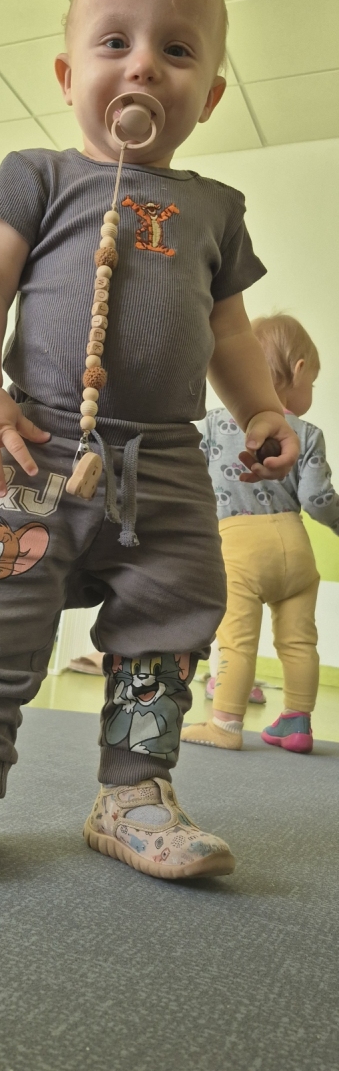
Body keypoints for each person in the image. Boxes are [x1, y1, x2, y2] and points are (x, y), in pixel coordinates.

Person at [0, 0, 299, 880]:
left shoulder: (215, 209)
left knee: (170, 621)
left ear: (209, 95)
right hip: (35, 443)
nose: (141, 65)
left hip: (170, 464)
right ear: (69, 76)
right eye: (114, 42)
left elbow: (230, 333)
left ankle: (133, 794)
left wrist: (262, 411)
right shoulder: (37, 177)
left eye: (175, 49)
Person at [182, 314, 339, 754]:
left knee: (237, 639)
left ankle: (225, 724)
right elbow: (317, 498)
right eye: (314, 382)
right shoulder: (307, 434)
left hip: (239, 546)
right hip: (295, 546)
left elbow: (192, 480)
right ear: (300, 370)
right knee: (299, 641)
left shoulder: (215, 425)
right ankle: (297, 721)